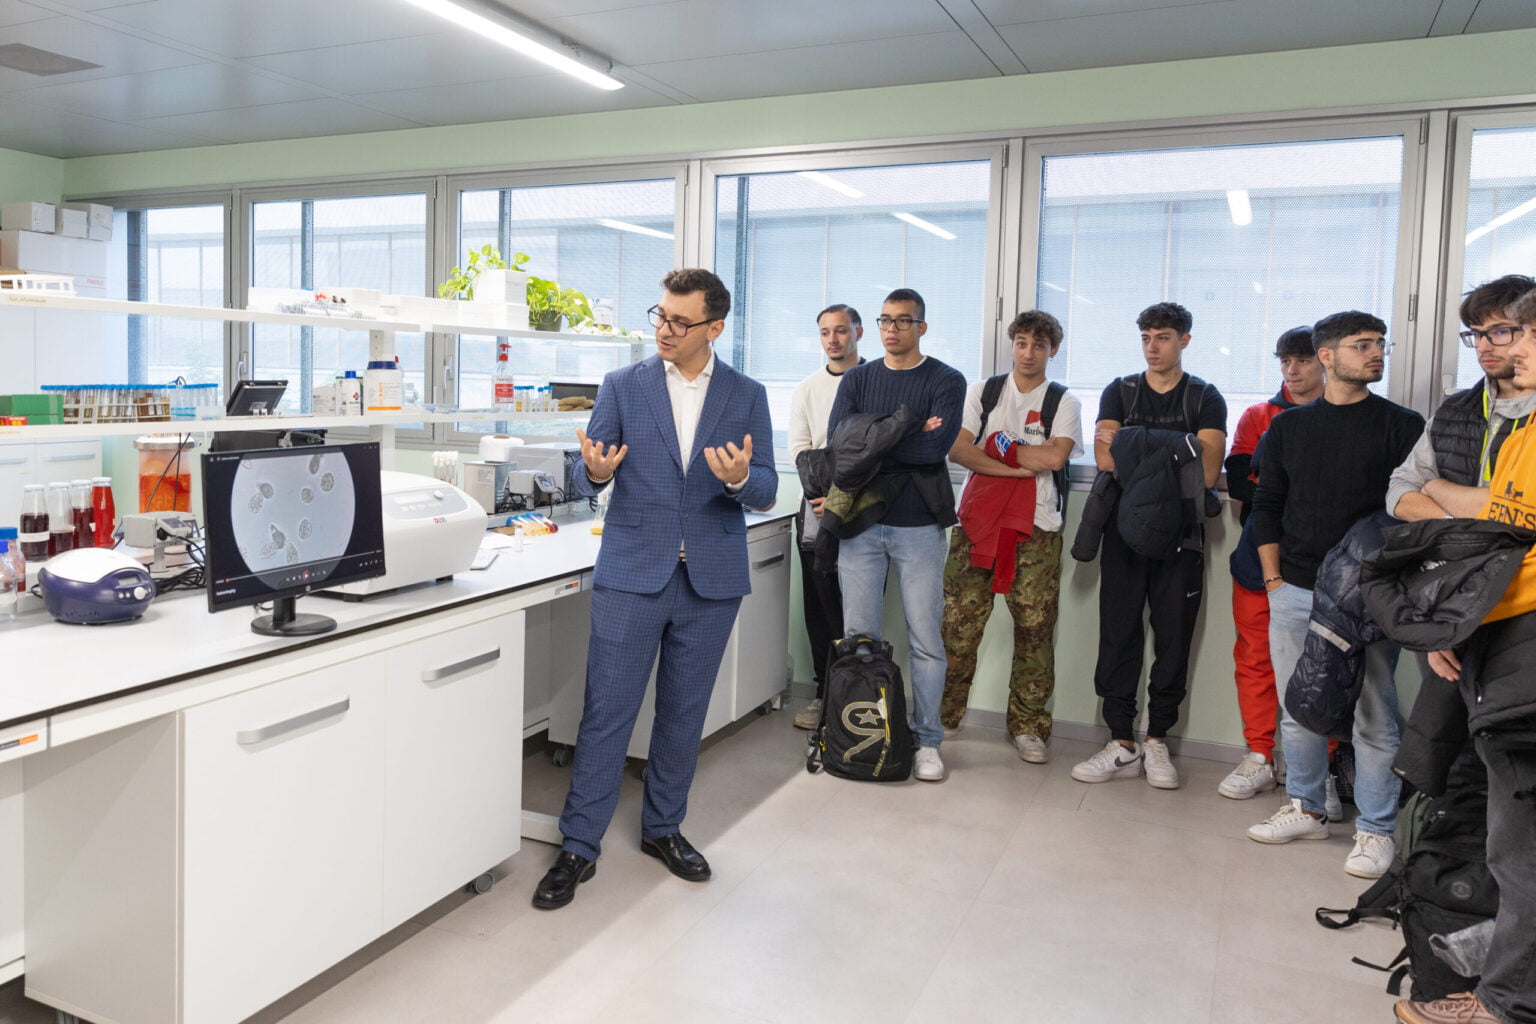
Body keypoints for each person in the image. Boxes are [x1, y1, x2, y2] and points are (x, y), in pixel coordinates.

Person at [533, 268, 778, 910]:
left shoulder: (747, 394)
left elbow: (767, 487)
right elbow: (586, 473)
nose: (664, 330)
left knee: (683, 713)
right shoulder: (624, 385)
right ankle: (579, 845)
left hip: (710, 577)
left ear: (714, 328)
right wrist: (592, 472)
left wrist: (739, 479)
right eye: (660, 316)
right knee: (606, 712)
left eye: (680, 321)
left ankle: (663, 828)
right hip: (633, 572)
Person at [1394, 288, 1536, 1024]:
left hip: (1517, 640)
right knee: (1467, 794)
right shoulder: (1461, 414)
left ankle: (1505, 1001)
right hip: (1472, 625)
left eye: (1507, 332)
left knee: (1518, 840)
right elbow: (1403, 497)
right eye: (1475, 334)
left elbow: (1508, 517)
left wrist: (1446, 493)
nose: (1491, 347)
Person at [1245, 310, 1424, 879]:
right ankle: (1306, 806)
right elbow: (1266, 505)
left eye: (1379, 344)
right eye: (1362, 345)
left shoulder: (1402, 425)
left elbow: (1411, 513)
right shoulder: (1289, 428)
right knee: (1299, 706)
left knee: (1374, 714)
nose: (1376, 353)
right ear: (1327, 356)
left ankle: (1375, 830)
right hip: (1295, 588)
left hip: (1368, 595)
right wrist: (1273, 581)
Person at [1071, 301, 1226, 791]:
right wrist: (1177, 448)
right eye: (1145, 338)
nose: (1152, 347)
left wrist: (1134, 442)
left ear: (1184, 340)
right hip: (1123, 530)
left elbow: (1207, 472)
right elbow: (1105, 459)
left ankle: (1157, 739)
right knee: (1118, 633)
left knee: (1174, 638)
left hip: (1181, 536)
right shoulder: (1121, 390)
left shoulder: (1204, 396)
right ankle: (1122, 741)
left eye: (1162, 337)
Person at [827, 287, 965, 782]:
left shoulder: (946, 379)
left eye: (903, 321)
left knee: (925, 639)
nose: (892, 329)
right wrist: (907, 428)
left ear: (920, 327)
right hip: (860, 524)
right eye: (885, 320)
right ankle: (868, 737)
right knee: (860, 639)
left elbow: (933, 450)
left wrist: (874, 438)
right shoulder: (858, 378)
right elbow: (841, 446)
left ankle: (928, 741)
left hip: (919, 525)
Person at [938, 309, 1083, 763]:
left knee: (1034, 631)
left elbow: (1055, 459)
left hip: (1037, 530)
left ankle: (1028, 726)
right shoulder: (984, 392)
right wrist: (1019, 464)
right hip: (977, 525)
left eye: (1039, 345)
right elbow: (958, 449)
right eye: (1021, 343)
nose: (1028, 353)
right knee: (958, 627)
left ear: (1052, 350)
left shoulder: (1063, 402)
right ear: (1012, 344)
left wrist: (998, 445)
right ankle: (942, 718)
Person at [1217, 326, 1326, 800]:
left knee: (1324, 665)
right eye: (1285, 361)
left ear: (1324, 360)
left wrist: (1278, 485)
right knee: (1255, 658)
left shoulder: (1343, 417)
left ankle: (1323, 770)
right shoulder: (1258, 416)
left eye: (1302, 360)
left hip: (1322, 563)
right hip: (1257, 557)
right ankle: (1259, 754)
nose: (1292, 370)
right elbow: (1243, 483)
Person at [1388, 274, 1536, 524]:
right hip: (1452, 548)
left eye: (1499, 332)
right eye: (1476, 334)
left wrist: (1435, 487)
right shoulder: (1455, 410)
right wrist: (1459, 531)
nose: (1483, 347)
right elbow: (1400, 490)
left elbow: (1518, 511)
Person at [788, 303, 864, 730]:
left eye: (841, 330)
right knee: (819, 610)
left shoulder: (875, 380)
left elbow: (876, 449)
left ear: (858, 333)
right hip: (815, 508)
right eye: (825, 332)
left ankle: (856, 697)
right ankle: (823, 694)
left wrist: (843, 495)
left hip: (865, 512)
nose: (833, 339)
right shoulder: (807, 388)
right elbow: (800, 449)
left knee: (857, 611)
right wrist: (824, 495)